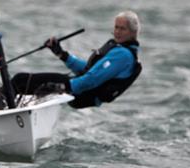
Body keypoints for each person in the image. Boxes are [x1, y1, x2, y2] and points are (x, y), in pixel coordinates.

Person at [11, 11, 142, 109]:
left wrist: (63, 87)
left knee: (20, 80)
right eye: (116, 27)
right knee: (23, 83)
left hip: (83, 92)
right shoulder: (120, 50)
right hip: (80, 89)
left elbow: (92, 79)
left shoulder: (123, 55)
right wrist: (62, 54)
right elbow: (89, 69)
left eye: (122, 28)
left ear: (133, 32)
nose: (117, 32)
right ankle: (5, 108)